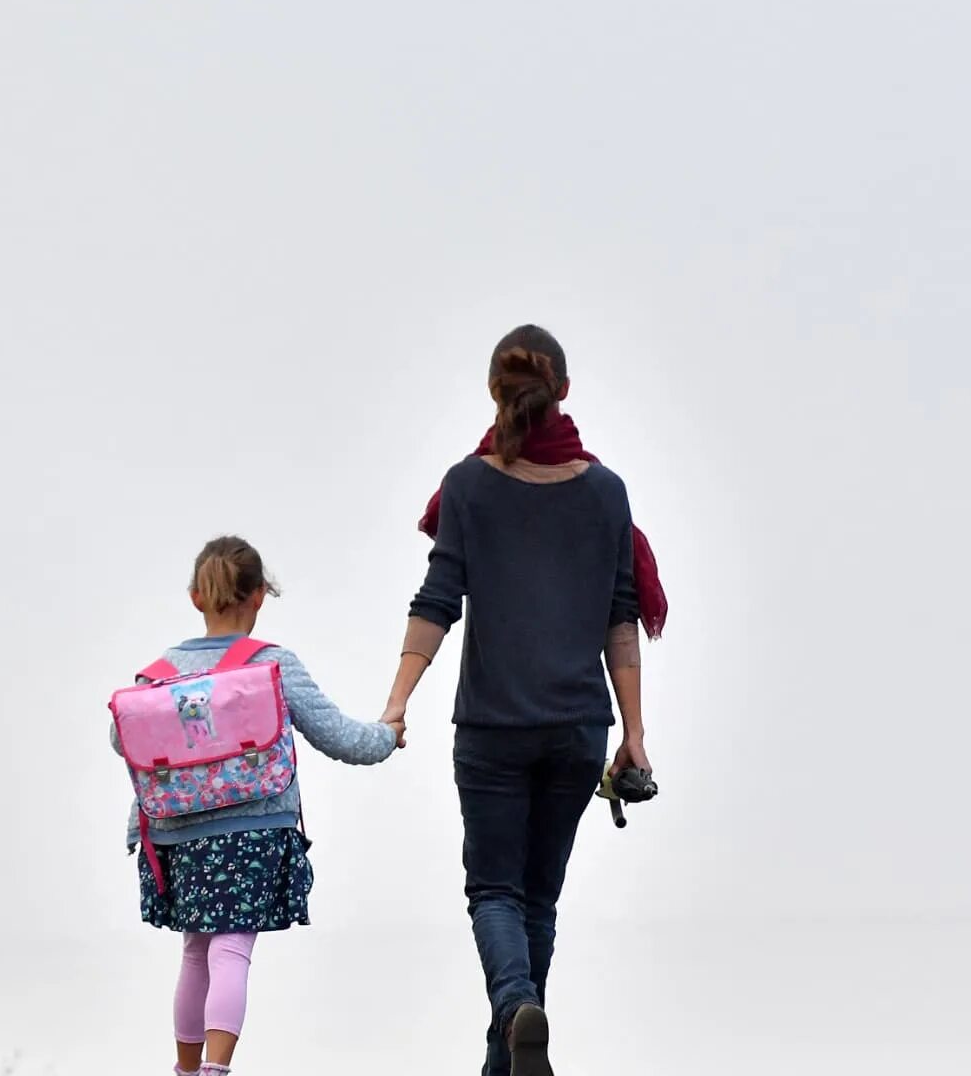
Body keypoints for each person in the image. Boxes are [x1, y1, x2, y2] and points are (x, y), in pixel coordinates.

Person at [381, 325, 666, 1076]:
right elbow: (621, 619)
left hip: (493, 730)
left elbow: (437, 599)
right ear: (564, 391)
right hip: (577, 729)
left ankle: (514, 1010)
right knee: (537, 902)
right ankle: (505, 1056)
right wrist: (634, 732)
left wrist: (396, 701)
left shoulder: (468, 486)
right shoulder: (607, 492)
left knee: (496, 894)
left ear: (494, 394)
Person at [113, 535, 401, 1076]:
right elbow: (342, 739)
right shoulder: (272, 664)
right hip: (253, 827)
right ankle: (217, 1072)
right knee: (232, 951)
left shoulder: (157, 674)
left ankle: (184, 1069)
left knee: (196, 950)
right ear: (260, 596)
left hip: (176, 832)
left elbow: (120, 737)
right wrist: (388, 732)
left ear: (196, 596)